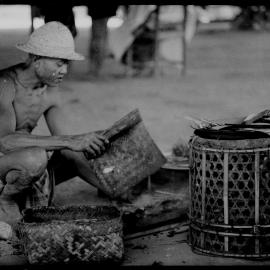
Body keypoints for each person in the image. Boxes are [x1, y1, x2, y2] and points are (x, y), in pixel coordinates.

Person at [0, 21, 110, 233]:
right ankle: (6, 200)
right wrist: (70, 141)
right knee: (37, 157)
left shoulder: (50, 91)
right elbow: (4, 141)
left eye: (67, 64)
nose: (65, 71)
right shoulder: (5, 84)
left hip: (19, 165)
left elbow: (69, 144)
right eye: (59, 63)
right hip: (5, 159)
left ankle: (115, 190)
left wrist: (113, 189)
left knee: (78, 150)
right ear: (36, 59)